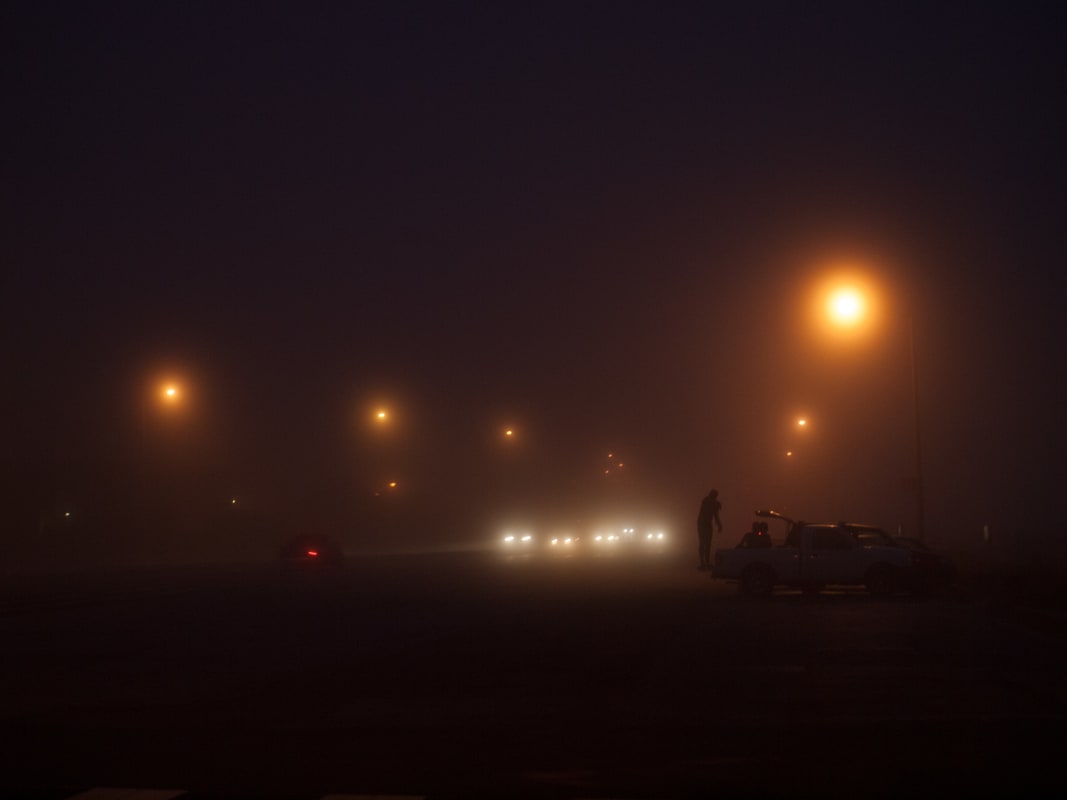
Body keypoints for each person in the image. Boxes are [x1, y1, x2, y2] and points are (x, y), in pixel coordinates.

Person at [697, 489, 723, 569]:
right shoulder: (707, 501)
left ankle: (706, 562)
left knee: (707, 544)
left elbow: (715, 516)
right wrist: (719, 525)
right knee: (703, 543)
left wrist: (719, 525)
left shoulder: (712, 502)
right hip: (702, 523)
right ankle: (703, 562)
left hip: (706, 523)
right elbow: (710, 505)